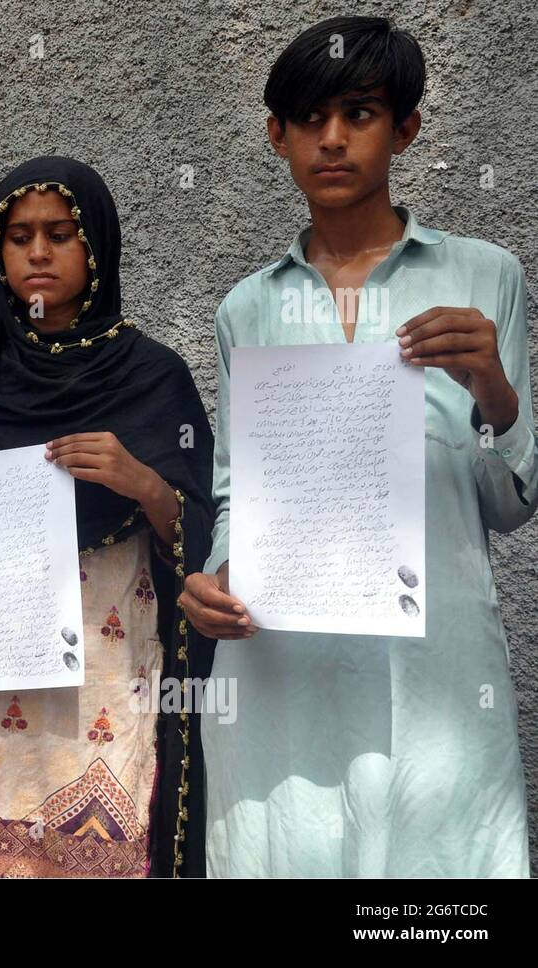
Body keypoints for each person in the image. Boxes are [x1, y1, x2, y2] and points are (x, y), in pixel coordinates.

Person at [179, 16, 536, 877]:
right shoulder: (248, 309)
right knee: (286, 848)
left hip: (433, 666)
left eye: (361, 113)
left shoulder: (483, 278)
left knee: (437, 887)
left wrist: (493, 385)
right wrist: (217, 581)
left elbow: (511, 502)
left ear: (405, 128)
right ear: (278, 136)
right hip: (282, 662)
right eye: (308, 119)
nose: (331, 139)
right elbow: (237, 490)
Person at [0, 156, 217, 877]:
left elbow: (198, 534)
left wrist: (140, 481)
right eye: (18, 235)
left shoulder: (151, 376)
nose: (36, 252)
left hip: (101, 664)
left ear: (95, 244)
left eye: (60, 234)